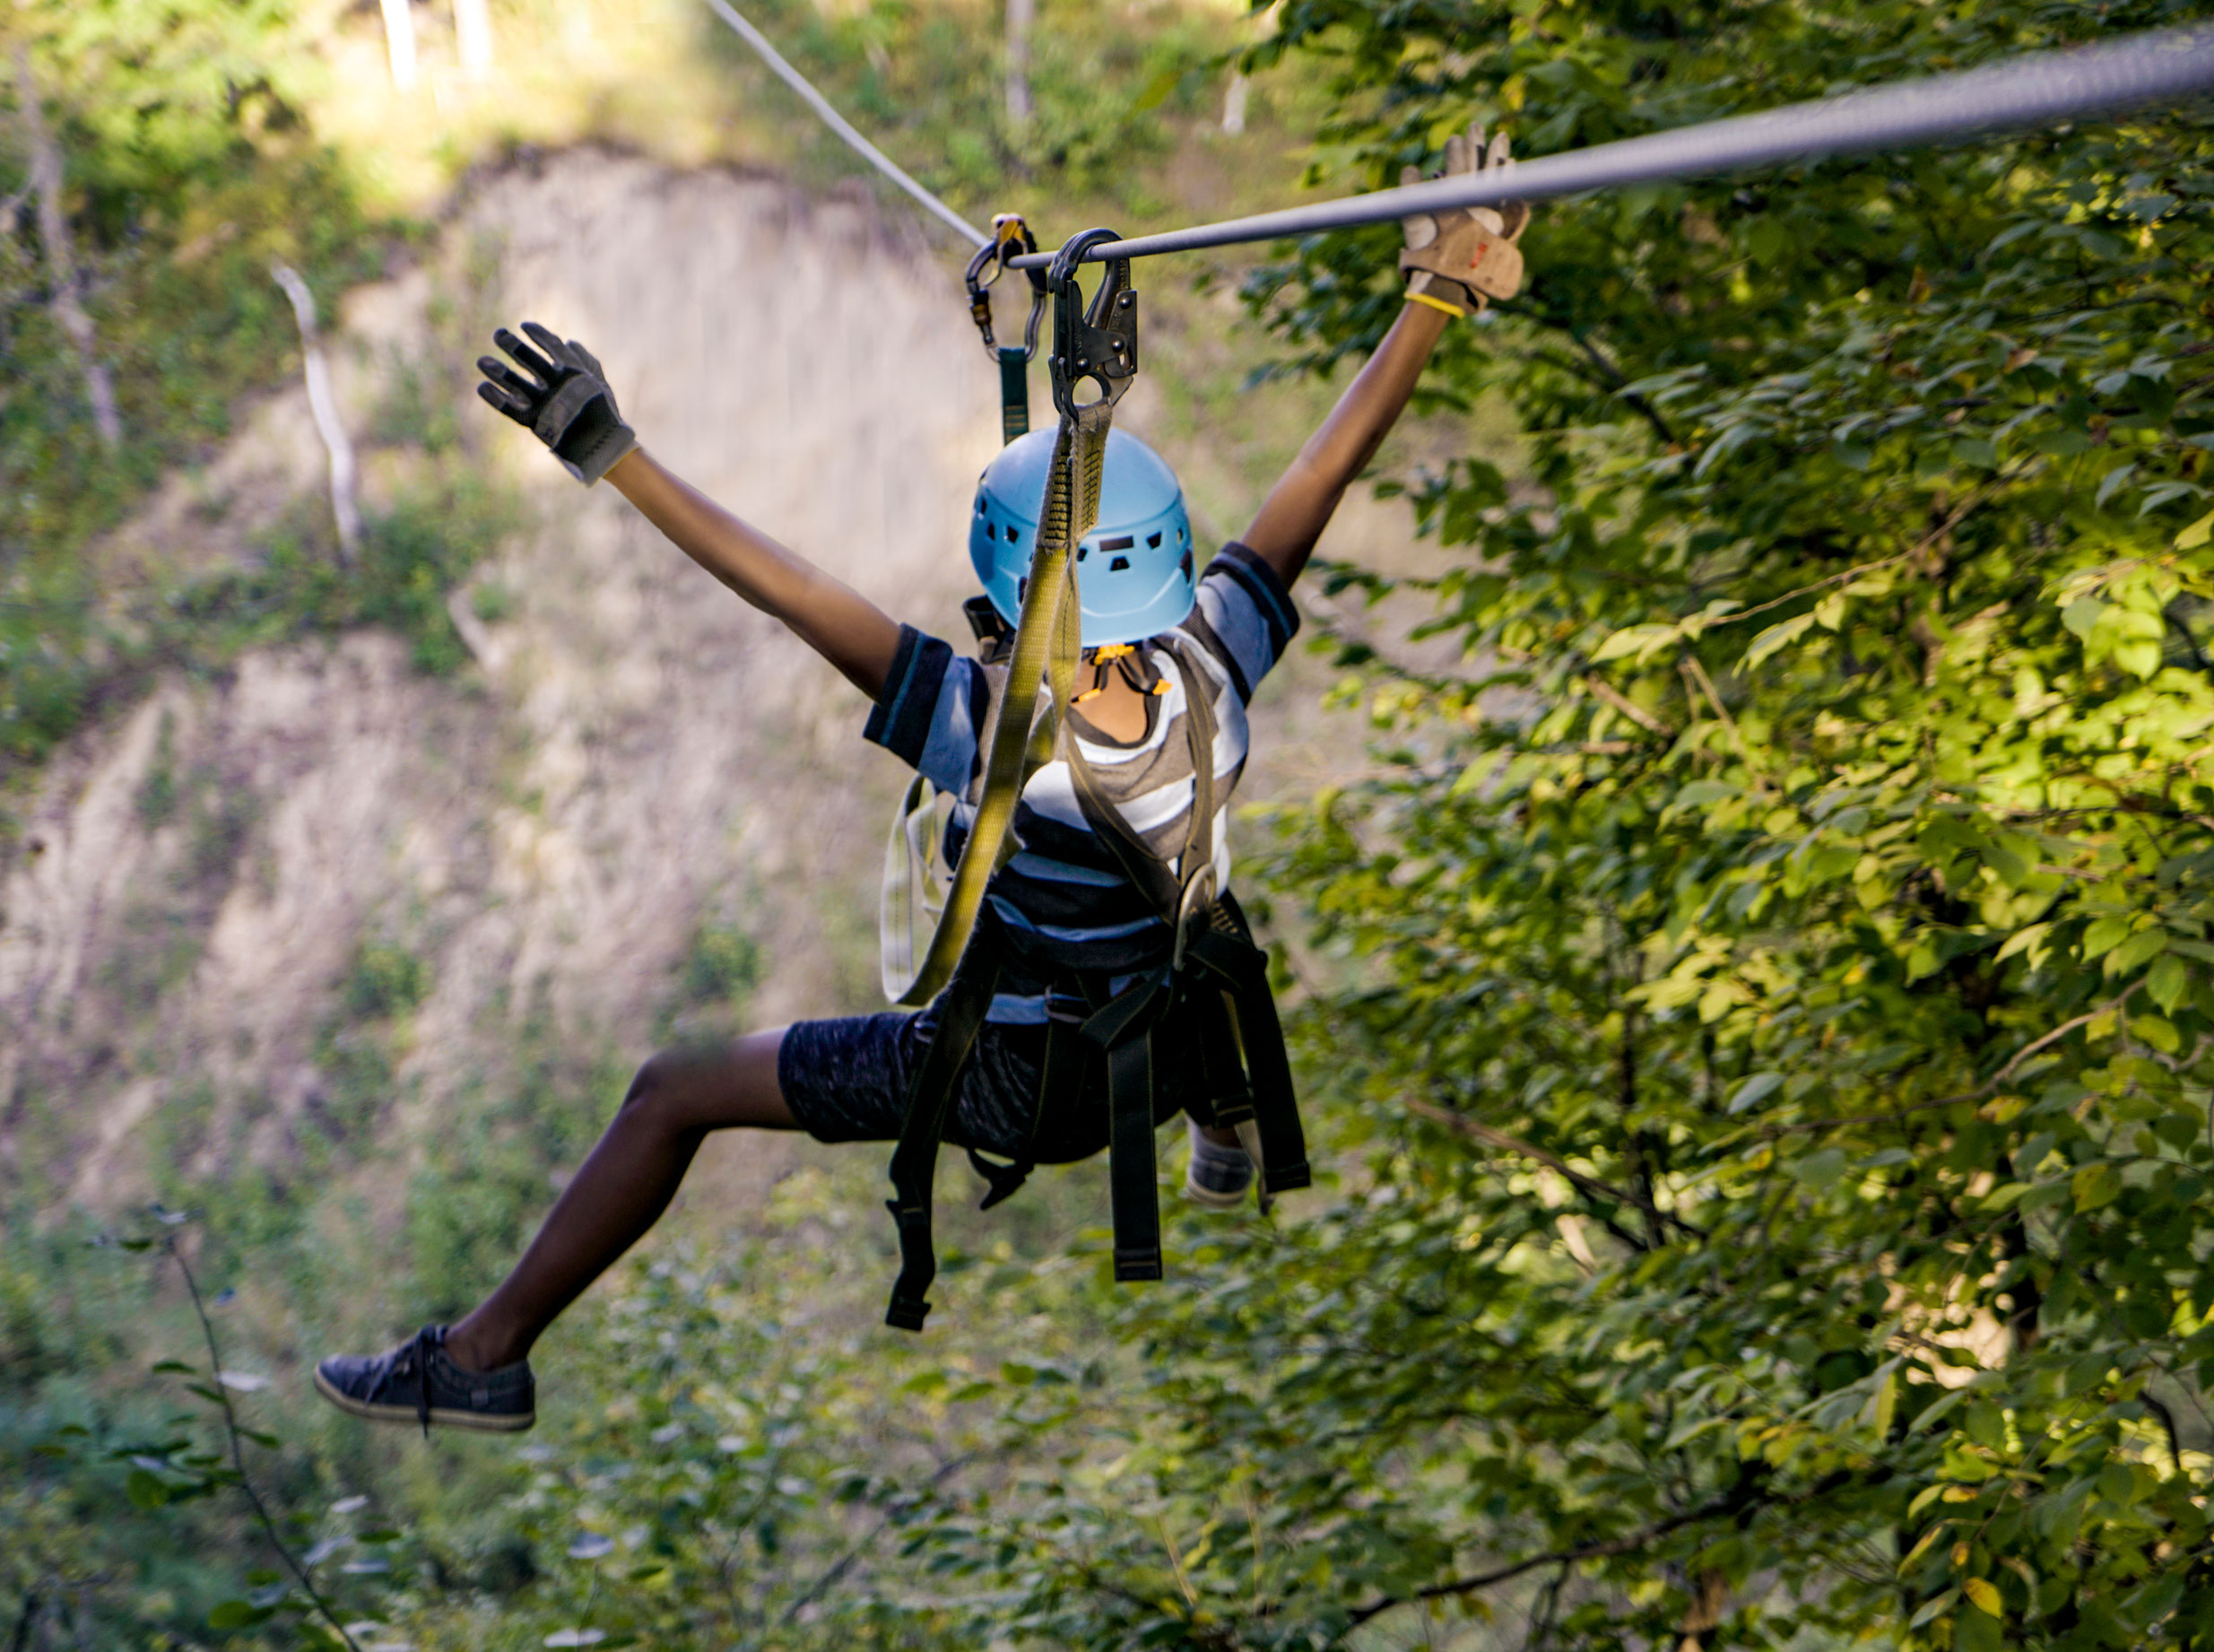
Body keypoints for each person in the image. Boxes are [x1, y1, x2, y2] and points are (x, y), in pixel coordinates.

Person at [315, 135, 1532, 1431]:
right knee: (1199, 920)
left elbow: (793, 590)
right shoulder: (1211, 669)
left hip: (1014, 1081)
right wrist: (1433, 300)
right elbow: (1313, 482)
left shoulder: (986, 727)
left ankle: (486, 1353)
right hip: (1151, 1042)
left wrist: (613, 453)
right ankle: (1218, 1105)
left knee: (675, 1091)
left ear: (1016, 605)